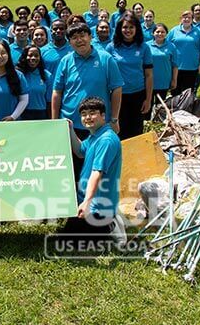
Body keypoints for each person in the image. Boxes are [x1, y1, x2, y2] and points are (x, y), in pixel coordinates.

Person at [52, 23, 123, 180]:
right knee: (73, 169)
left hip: (99, 124)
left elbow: (117, 89)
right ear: (70, 42)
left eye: (83, 36)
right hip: (71, 124)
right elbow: (57, 92)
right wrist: (55, 121)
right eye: (74, 38)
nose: (79, 40)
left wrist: (114, 118)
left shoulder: (106, 59)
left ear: (90, 37)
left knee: (98, 168)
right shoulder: (65, 61)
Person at [62, 97, 122, 241]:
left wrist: (87, 202)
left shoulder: (106, 140)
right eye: (84, 114)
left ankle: (111, 226)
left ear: (103, 115)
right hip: (89, 202)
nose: (87, 117)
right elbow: (79, 151)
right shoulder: (95, 136)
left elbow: (97, 173)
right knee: (65, 237)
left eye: (92, 113)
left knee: (76, 243)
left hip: (99, 207)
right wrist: (70, 129)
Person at [106, 13, 153, 140]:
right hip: (117, 96)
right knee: (118, 130)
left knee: (136, 131)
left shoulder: (144, 47)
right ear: (119, 29)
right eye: (125, 27)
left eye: (131, 27)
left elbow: (148, 75)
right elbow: (106, 74)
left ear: (137, 28)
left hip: (138, 94)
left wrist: (148, 100)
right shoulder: (111, 47)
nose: (128, 30)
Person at [167, 10, 200, 95]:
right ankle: (175, 108)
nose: (186, 19)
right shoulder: (174, 31)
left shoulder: (198, 32)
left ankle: (186, 108)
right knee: (175, 92)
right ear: (181, 19)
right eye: (184, 17)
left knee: (188, 93)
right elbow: (167, 46)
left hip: (192, 67)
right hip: (176, 67)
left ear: (192, 19)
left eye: (189, 17)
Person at [17, 46, 52, 120]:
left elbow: (49, 101)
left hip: (41, 114)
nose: (33, 58)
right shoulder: (19, 75)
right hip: (22, 114)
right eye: (30, 55)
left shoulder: (46, 75)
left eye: (36, 56)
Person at [148, 23, 178, 104]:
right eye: (157, 32)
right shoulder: (147, 46)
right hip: (149, 82)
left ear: (166, 33)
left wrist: (174, 80)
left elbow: (175, 65)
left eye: (162, 32)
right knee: (147, 106)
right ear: (153, 33)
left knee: (160, 107)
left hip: (163, 82)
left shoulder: (171, 46)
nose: (160, 34)